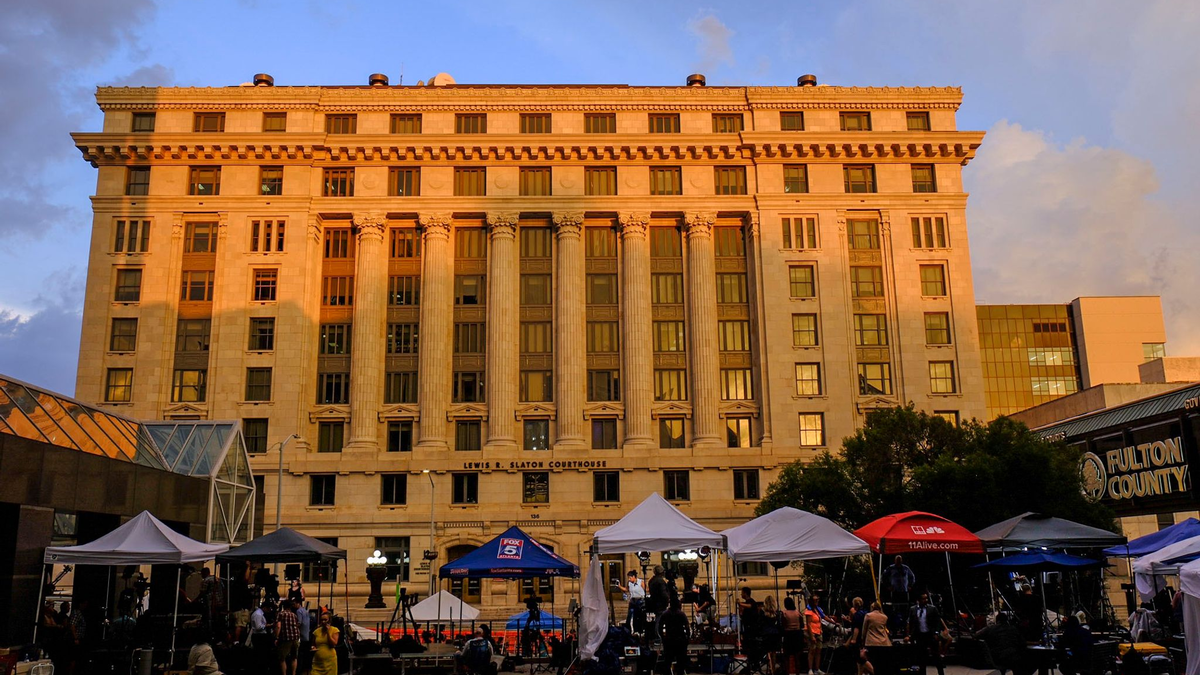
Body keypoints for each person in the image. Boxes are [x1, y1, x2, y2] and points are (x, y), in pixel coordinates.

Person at [907, 594, 946, 675]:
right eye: (923, 599)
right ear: (919, 600)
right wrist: (910, 635)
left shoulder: (932, 608)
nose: (926, 600)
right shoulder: (913, 609)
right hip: (920, 635)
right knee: (922, 658)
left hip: (930, 635)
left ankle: (941, 673)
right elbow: (911, 623)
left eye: (926, 598)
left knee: (936, 657)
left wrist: (936, 632)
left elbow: (938, 621)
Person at [658, 598, 691, 675]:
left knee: (667, 662)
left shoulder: (665, 614)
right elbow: (687, 627)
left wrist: (663, 637)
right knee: (681, 662)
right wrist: (687, 638)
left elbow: (659, 627)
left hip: (669, 640)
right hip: (680, 640)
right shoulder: (681, 614)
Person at [862, 603, 890, 675]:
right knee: (881, 662)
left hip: (871, 642)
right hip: (883, 642)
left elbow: (864, 630)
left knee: (872, 661)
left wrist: (863, 639)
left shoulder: (868, 616)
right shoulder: (885, 617)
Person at [276, 599, 301, 675]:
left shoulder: (281, 614)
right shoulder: (294, 615)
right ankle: (293, 673)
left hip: (286, 639)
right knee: (294, 658)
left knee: (282, 658)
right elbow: (297, 626)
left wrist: (276, 637)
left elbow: (278, 626)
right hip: (295, 638)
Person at [781, 597, 805, 675]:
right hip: (797, 635)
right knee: (797, 657)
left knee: (787, 657)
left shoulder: (784, 613)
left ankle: (787, 672)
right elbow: (802, 625)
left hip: (788, 635)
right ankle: (797, 673)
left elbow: (783, 625)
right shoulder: (798, 613)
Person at [804, 595, 824, 675]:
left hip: (818, 632)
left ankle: (817, 668)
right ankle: (810, 669)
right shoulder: (809, 610)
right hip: (812, 633)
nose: (817, 601)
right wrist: (812, 636)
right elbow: (808, 624)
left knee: (818, 650)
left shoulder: (818, 610)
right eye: (815, 600)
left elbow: (823, 618)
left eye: (818, 600)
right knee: (812, 650)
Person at [295, 601, 312, 674]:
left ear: (298, 603)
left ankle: (299, 670)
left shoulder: (298, 611)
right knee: (306, 654)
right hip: (307, 635)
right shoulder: (305, 610)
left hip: (301, 636)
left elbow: (299, 622)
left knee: (300, 655)